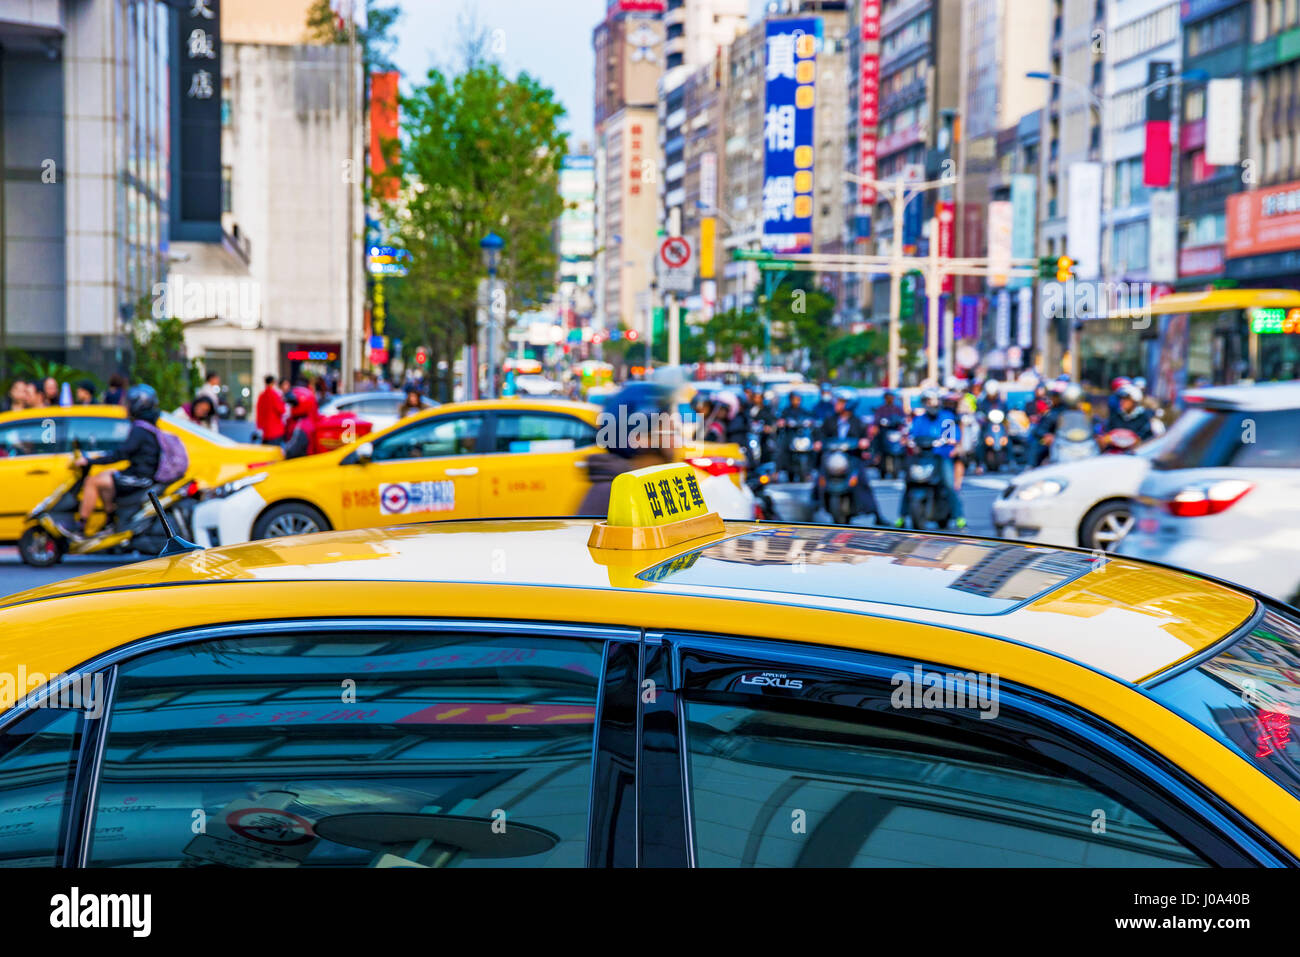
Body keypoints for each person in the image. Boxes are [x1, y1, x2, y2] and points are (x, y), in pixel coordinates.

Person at [63, 384, 162, 539]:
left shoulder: (139, 429)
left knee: (92, 481)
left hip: (140, 478)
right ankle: (111, 522)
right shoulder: (147, 427)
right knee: (105, 476)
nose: (126, 407)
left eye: (128, 403)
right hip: (140, 474)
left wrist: (90, 461)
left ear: (138, 405)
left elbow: (120, 454)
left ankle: (81, 527)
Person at [578, 382, 678, 516]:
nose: (676, 443)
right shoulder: (610, 495)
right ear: (640, 439)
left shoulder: (653, 487)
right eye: (670, 433)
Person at [899, 389, 966, 530]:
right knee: (909, 483)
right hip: (922, 457)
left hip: (941, 457)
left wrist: (951, 442)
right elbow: (910, 435)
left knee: (949, 484)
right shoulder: (919, 420)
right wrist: (907, 441)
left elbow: (954, 436)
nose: (933, 405)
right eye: (929, 401)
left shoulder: (947, 417)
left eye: (935, 401)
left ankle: (958, 515)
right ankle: (902, 515)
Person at [816, 394, 886, 524]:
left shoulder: (858, 422)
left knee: (863, 482)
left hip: (851, 458)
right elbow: (821, 436)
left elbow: (867, 441)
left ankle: (876, 515)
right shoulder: (829, 421)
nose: (836, 404)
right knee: (820, 478)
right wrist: (818, 443)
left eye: (840, 402)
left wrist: (864, 444)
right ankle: (814, 506)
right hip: (832, 459)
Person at [282, 386, 323, 458]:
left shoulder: (301, 426)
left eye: (292, 405)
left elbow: (291, 451)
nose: (290, 407)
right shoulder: (299, 420)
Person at [256, 375, 287, 445]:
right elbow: (282, 410)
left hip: (265, 431)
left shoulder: (262, 395)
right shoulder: (275, 395)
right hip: (275, 431)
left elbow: (258, 412)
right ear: (273, 383)